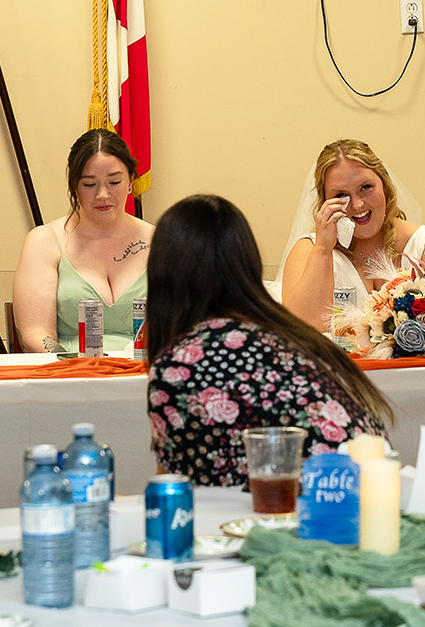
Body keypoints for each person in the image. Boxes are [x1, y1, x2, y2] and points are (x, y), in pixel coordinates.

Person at [146, 194, 391, 486]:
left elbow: (176, 488)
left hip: (316, 502)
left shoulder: (178, 366)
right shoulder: (295, 335)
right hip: (372, 490)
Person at [280, 139, 425, 332]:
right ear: (325, 201)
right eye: (341, 195)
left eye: (365, 187)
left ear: (384, 185)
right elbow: (298, 330)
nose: (357, 205)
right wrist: (323, 250)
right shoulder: (307, 250)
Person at [13, 129, 152, 352]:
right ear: (74, 186)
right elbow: (35, 333)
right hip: (68, 367)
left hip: (144, 367)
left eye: (114, 182)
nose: (103, 195)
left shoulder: (160, 241)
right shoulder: (44, 241)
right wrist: (74, 366)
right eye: (89, 185)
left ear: (131, 181)